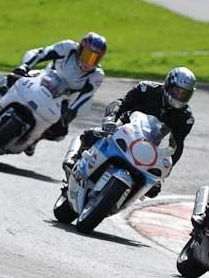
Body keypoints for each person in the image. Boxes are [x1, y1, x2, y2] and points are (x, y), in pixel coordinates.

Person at [64, 67, 197, 198]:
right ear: (168, 85)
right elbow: (120, 103)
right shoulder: (146, 89)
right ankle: (74, 160)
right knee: (91, 135)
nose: (179, 96)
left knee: (152, 190)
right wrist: (110, 120)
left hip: (148, 147)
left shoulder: (186, 118)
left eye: (184, 93)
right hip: (122, 129)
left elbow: (176, 146)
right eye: (176, 90)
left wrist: (163, 174)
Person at [0, 32, 107, 156]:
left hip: (63, 99)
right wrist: (24, 67)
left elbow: (86, 96)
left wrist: (71, 111)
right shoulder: (67, 48)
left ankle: (35, 139)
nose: (89, 62)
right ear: (81, 48)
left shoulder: (97, 75)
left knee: (59, 132)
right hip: (41, 80)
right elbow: (41, 53)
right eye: (88, 55)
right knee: (9, 80)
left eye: (95, 58)